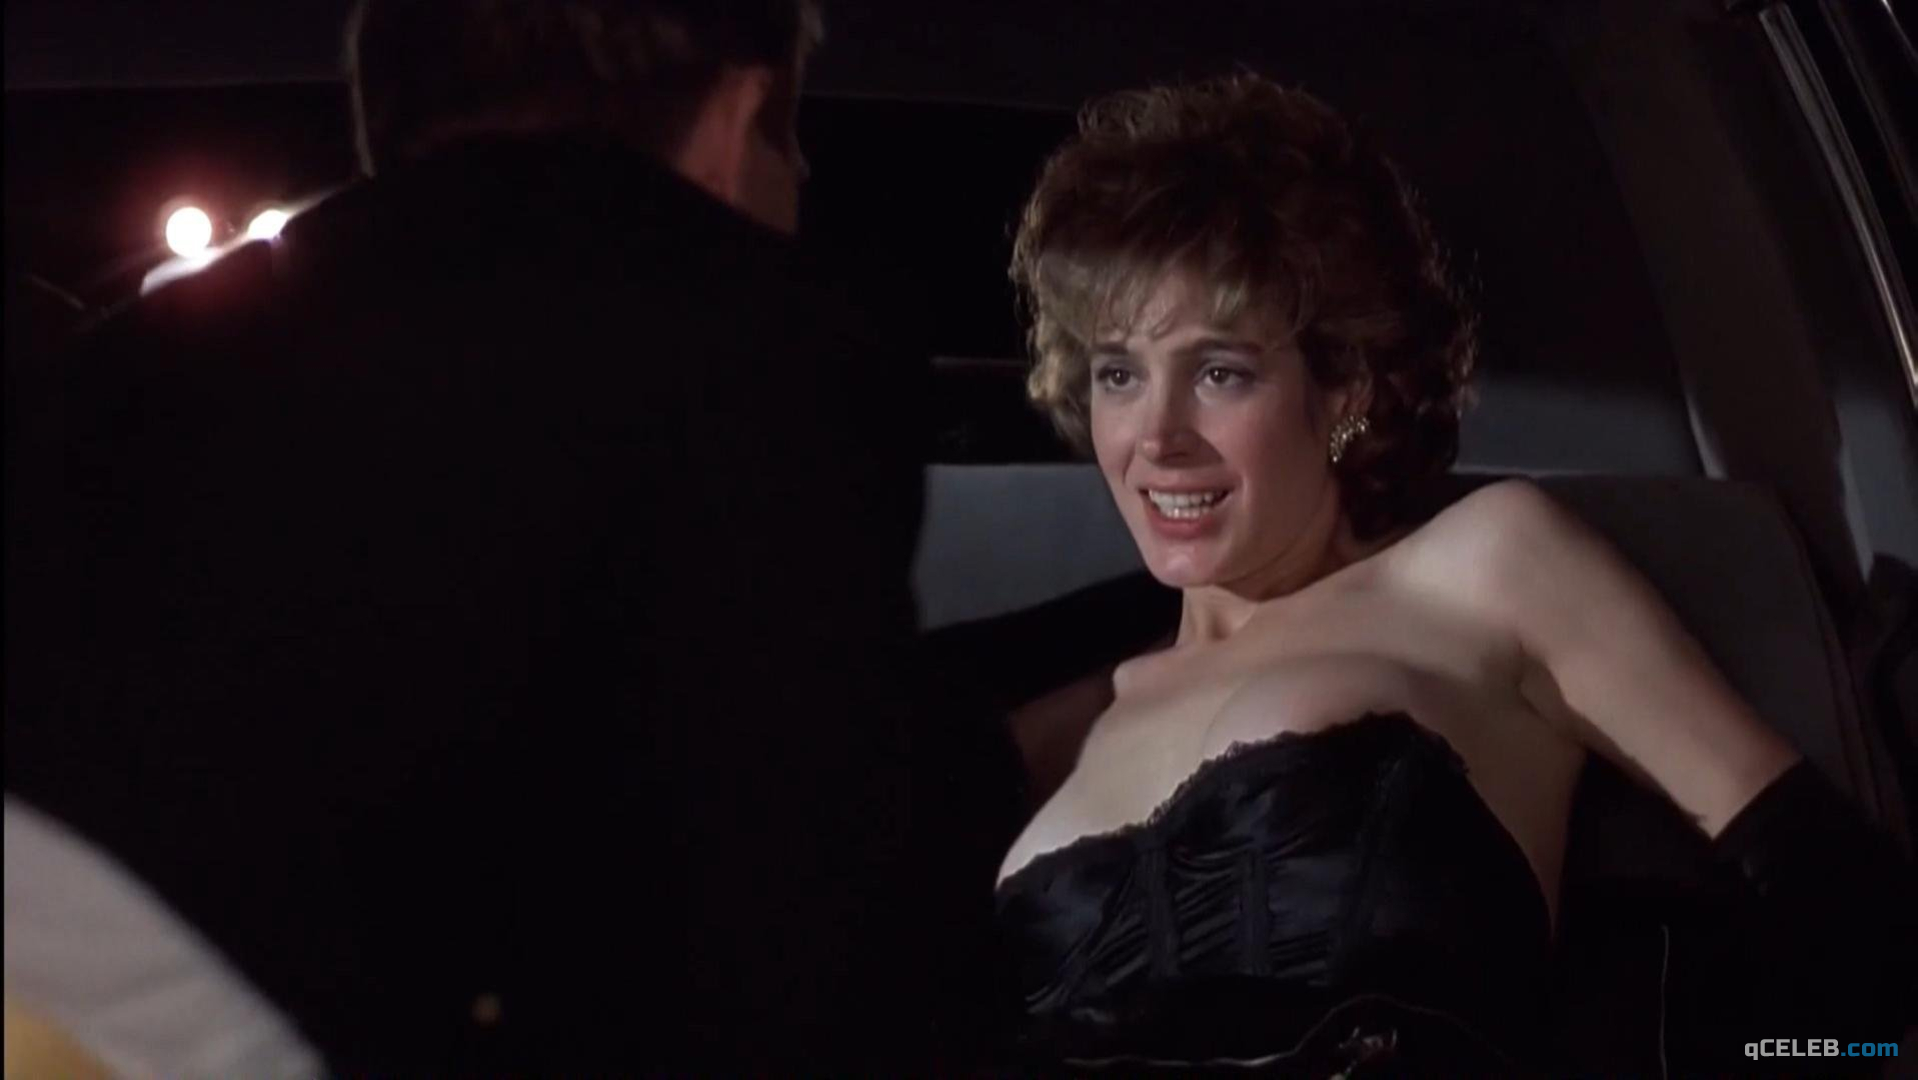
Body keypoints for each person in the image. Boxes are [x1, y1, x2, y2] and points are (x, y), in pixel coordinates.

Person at [4, 0, 1014, 1072]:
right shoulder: (741, 332)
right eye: (791, 144)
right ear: (738, 114)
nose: (797, 182)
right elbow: (780, 917)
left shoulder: (124, 370)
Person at [992, 73, 1917, 1073]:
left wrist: (1795, 1059)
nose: (1157, 437)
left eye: (1220, 372)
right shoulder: (1050, 725)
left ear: (1345, 388)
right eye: (1119, 374)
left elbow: (1855, 921)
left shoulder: (1484, 569)